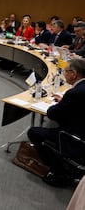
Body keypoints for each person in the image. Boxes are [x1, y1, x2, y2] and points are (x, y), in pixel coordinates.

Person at [27, 59, 85, 187]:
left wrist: (57, 105)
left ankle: (59, 172)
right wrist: (65, 102)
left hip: (75, 137)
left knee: (34, 132)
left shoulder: (74, 93)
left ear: (74, 74)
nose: (64, 74)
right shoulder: (79, 90)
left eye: (66, 71)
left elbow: (52, 113)